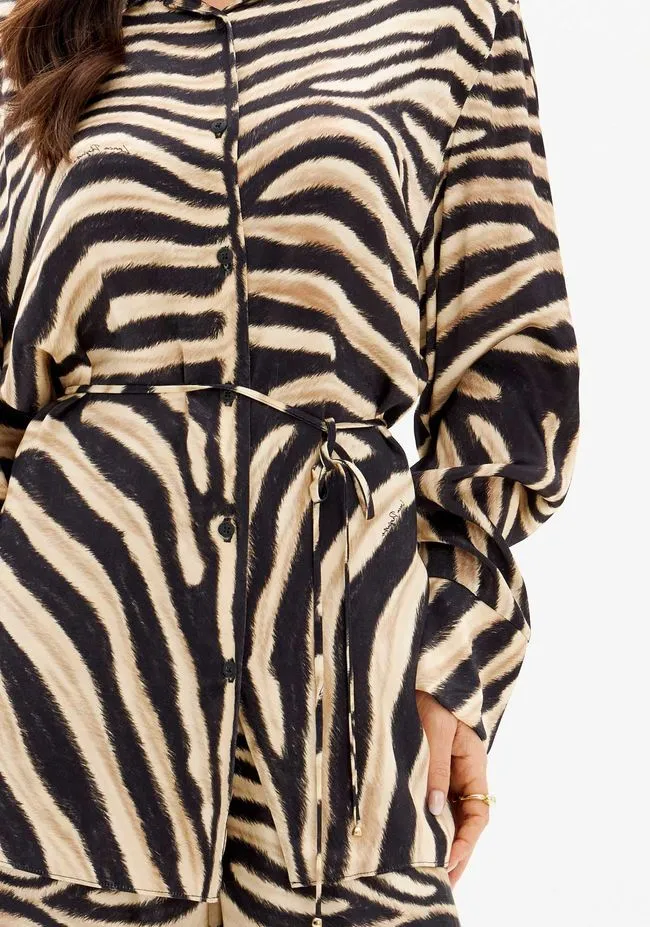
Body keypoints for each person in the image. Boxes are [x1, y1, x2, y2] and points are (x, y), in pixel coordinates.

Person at [0, 0, 580, 924]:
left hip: (342, 684)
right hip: (60, 680)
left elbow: (509, 373)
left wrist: (454, 658)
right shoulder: (31, 44)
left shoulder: (455, 24)